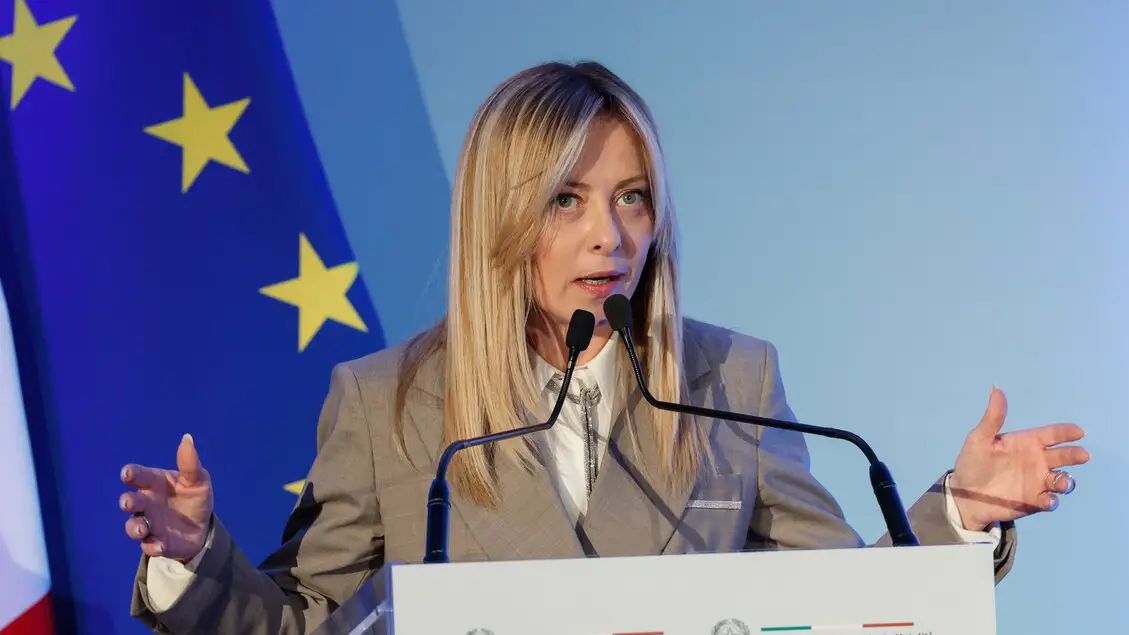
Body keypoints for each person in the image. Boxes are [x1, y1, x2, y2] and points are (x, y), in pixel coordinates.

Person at [120, 61, 1089, 634]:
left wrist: (959, 510)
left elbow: (840, 604)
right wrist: (195, 556)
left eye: (631, 197)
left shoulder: (729, 376)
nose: (609, 237)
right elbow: (306, 623)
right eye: (566, 199)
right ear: (500, 214)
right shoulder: (388, 400)